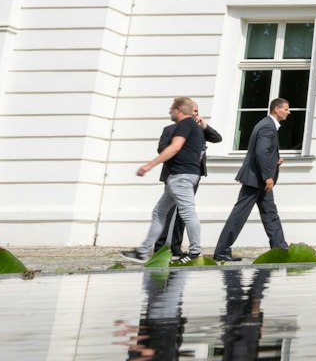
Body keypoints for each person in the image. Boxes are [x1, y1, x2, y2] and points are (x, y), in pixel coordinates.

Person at [121, 96, 206, 261]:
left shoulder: (185, 124)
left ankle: (195, 252)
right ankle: (143, 251)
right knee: (159, 212)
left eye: (171, 109)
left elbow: (175, 147)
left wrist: (150, 165)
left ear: (179, 109)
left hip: (181, 176)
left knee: (188, 213)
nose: (170, 112)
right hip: (179, 176)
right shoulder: (194, 127)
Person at [212, 98, 290, 263]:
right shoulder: (268, 126)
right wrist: (267, 176)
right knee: (239, 214)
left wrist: (275, 159)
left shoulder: (266, 124)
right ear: (276, 109)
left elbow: (264, 152)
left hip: (258, 179)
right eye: (286, 109)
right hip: (256, 179)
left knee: (270, 213)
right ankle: (221, 251)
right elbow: (260, 152)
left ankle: (280, 248)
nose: (288, 112)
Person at [167, 101, 222, 254]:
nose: (194, 114)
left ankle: (176, 247)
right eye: (192, 111)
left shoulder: (199, 130)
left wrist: (204, 125)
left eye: (196, 111)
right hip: (176, 173)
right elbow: (163, 148)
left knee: (184, 212)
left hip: (194, 174)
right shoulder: (173, 129)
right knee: (166, 210)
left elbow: (218, 138)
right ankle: (160, 247)